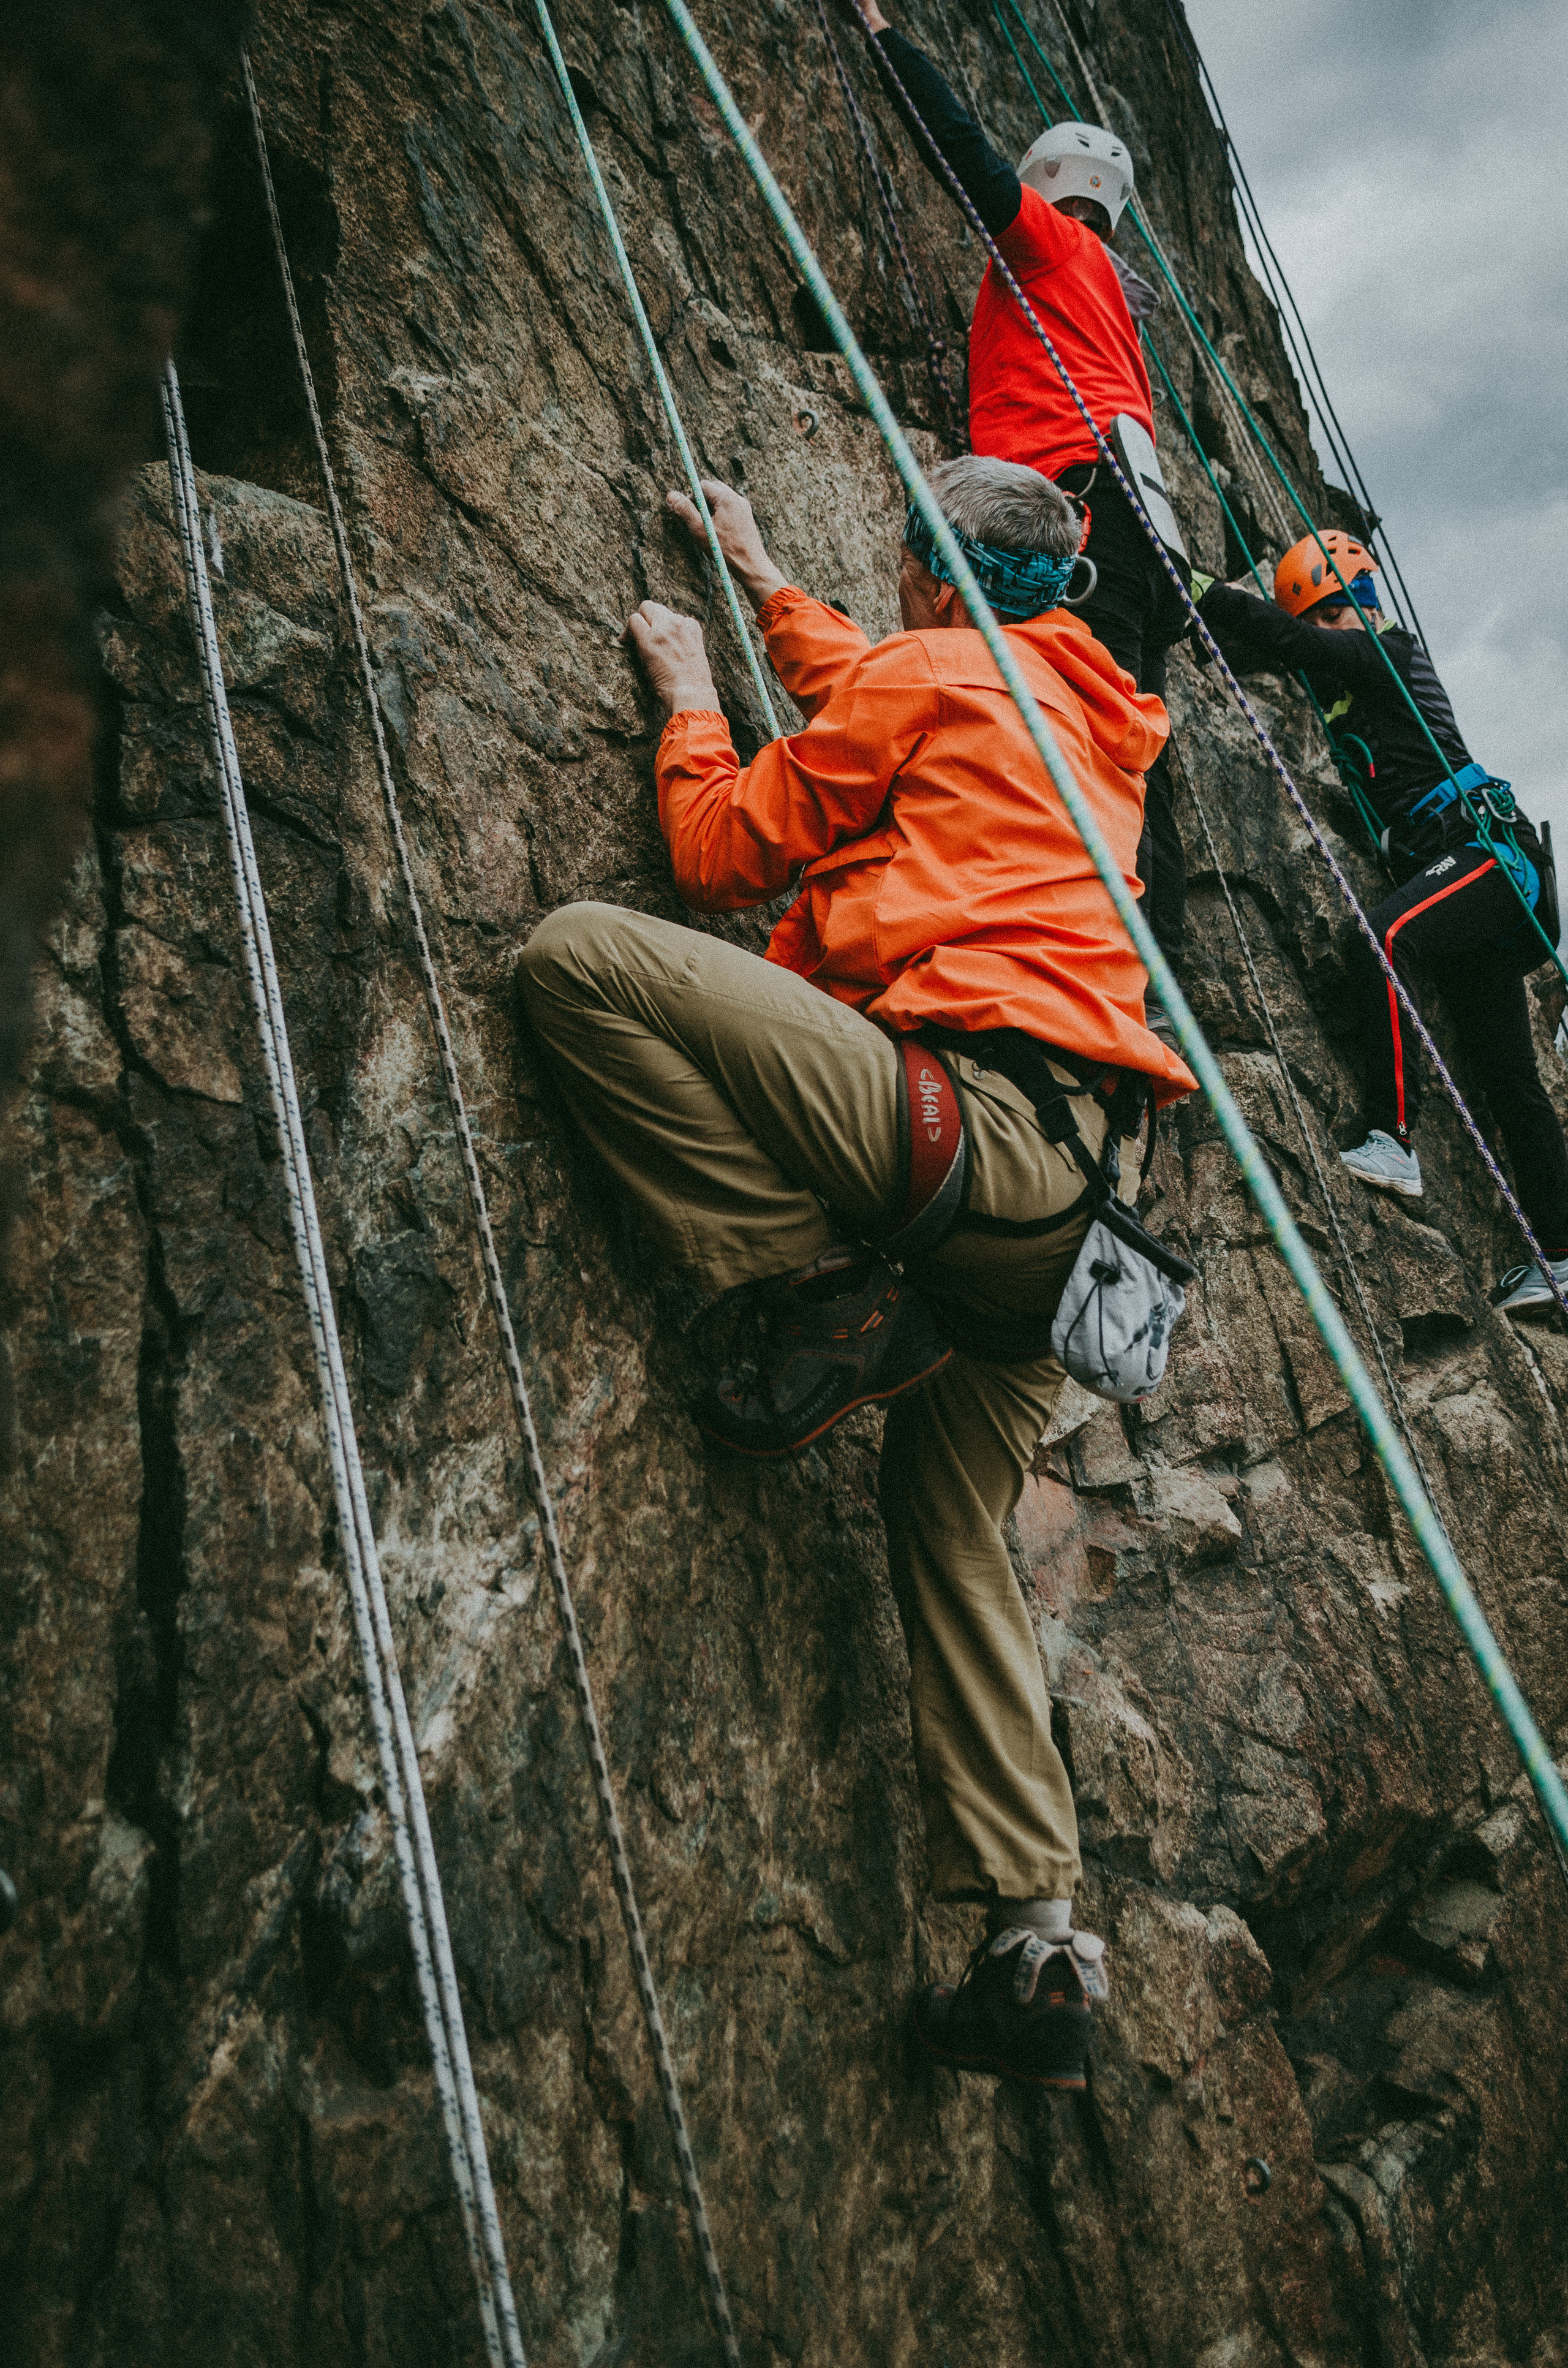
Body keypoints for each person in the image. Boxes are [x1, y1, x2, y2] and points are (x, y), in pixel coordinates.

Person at [518, 457, 1194, 2086]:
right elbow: (876, 676)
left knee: (577, 963)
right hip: (1090, 1230)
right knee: (946, 1513)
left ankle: (831, 1275)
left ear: (924, 576)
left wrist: (690, 688)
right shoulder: (1090, 717)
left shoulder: (932, 665)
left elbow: (718, 852)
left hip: (964, 1143)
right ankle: (1038, 1942)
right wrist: (762, 582)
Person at [851, 2, 1192, 1029]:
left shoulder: (1050, 251)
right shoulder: (1115, 306)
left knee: (1078, 743)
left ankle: (1115, 980)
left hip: (1078, 526)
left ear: (1054, 194)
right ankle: (1147, 976)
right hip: (1130, 532)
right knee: (1123, 743)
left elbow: (965, 158)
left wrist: (882, 37)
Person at [1200, 534, 1568, 1318]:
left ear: (1364, 602)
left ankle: (1392, 1139)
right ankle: (1563, 1257)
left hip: (1486, 856)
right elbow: (1273, 649)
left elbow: (1289, 639)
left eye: (1339, 607)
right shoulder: (1338, 681)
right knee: (1510, 1083)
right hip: (1471, 889)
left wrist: (1203, 585)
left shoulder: (1389, 653)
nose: (1332, 625)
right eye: (1321, 613)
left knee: (1384, 937)